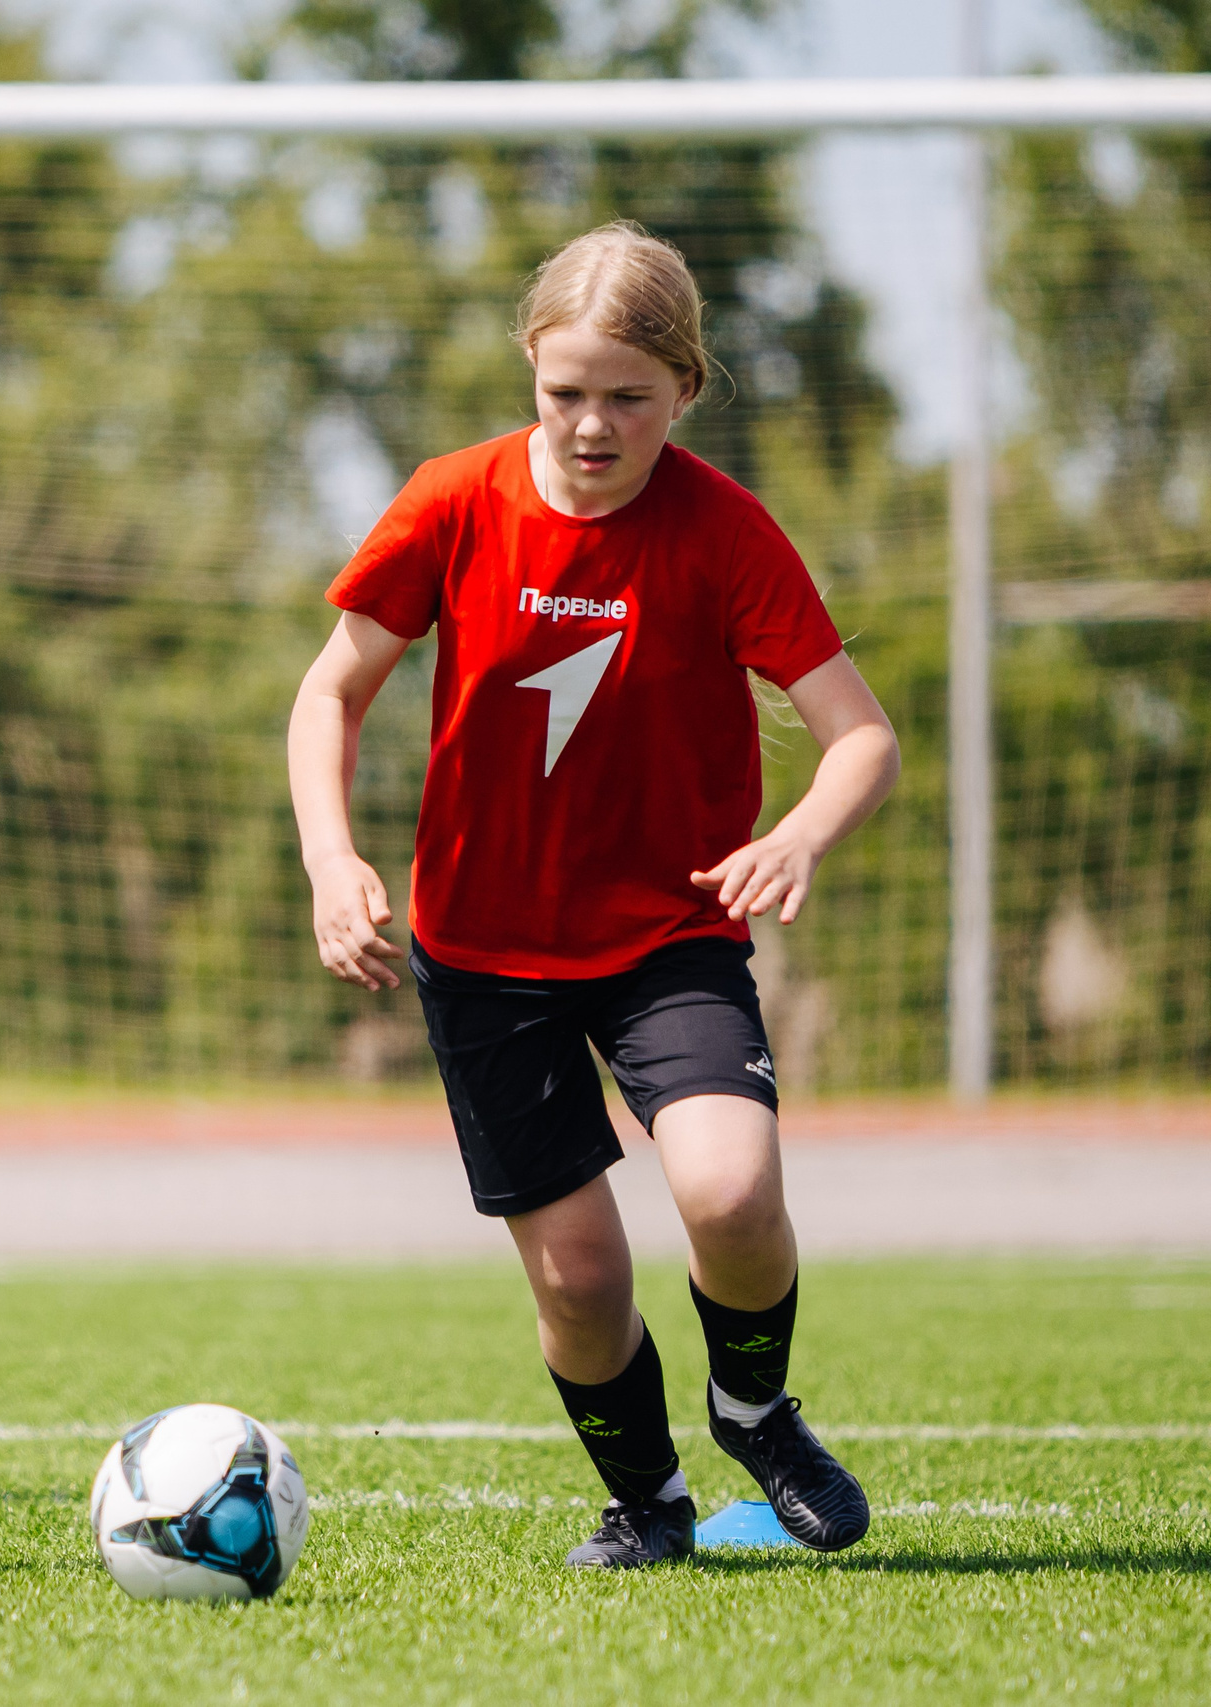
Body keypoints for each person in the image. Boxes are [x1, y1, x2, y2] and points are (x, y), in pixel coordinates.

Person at [286, 221, 901, 1569]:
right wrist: (335, 858)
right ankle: (648, 1501)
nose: (593, 423)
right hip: (482, 952)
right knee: (577, 1277)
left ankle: (755, 1409)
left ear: (685, 388)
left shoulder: (725, 530)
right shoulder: (452, 501)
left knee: (731, 1193)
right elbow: (329, 691)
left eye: (629, 394)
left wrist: (798, 831)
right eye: (567, 390)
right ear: (530, 369)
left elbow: (864, 734)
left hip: (665, 937)